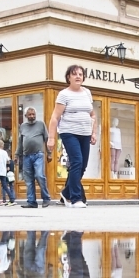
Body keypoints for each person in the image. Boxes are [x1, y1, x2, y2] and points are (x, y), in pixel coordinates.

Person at [47, 64, 96, 208]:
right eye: (75, 74)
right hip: (69, 132)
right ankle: (75, 199)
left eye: (80, 74)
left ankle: (65, 192)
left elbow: (92, 114)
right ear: (69, 77)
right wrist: (51, 138)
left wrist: (94, 132)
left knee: (83, 166)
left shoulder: (87, 92)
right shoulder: (64, 94)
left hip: (85, 133)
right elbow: (55, 117)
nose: (78, 76)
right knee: (77, 162)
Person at [16, 106, 51, 208]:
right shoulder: (22, 126)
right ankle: (31, 202)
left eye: (33, 114)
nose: (32, 116)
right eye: (30, 114)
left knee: (40, 176)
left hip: (38, 155)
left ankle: (46, 198)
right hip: (26, 156)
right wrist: (16, 155)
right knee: (29, 180)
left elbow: (47, 138)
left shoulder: (41, 124)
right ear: (26, 115)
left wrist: (49, 153)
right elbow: (20, 142)